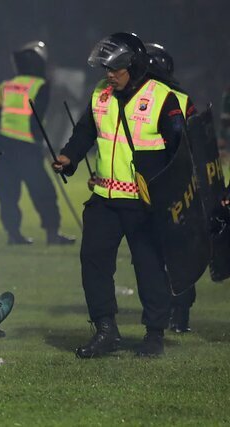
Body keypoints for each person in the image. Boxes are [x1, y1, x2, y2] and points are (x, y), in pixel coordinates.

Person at [52, 32, 185, 358]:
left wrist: (172, 195)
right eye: (106, 69)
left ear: (135, 66)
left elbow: (181, 151)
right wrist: (69, 157)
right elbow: (86, 130)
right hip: (104, 199)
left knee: (149, 267)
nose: (109, 75)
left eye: (116, 69)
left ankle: (154, 334)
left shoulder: (162, 98)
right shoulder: (102, 93)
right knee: (93, 262)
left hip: (145, 203)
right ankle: (105, 330)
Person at [0, 41, 74, 245]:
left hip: (4, 147)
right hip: (27, 147)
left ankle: (13, 235)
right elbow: (38, 118)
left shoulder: (4, 86)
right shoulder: (40, 86)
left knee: (8, 193)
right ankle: (53, 234)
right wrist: (39, 143)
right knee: (43, 191)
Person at [145, 42, 197, 333]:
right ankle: (170, 313)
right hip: (157, 186)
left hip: (171, 186)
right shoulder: (181, 96)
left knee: (171, 251)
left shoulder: (173, 98)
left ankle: (177, 313)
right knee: (163, 252)